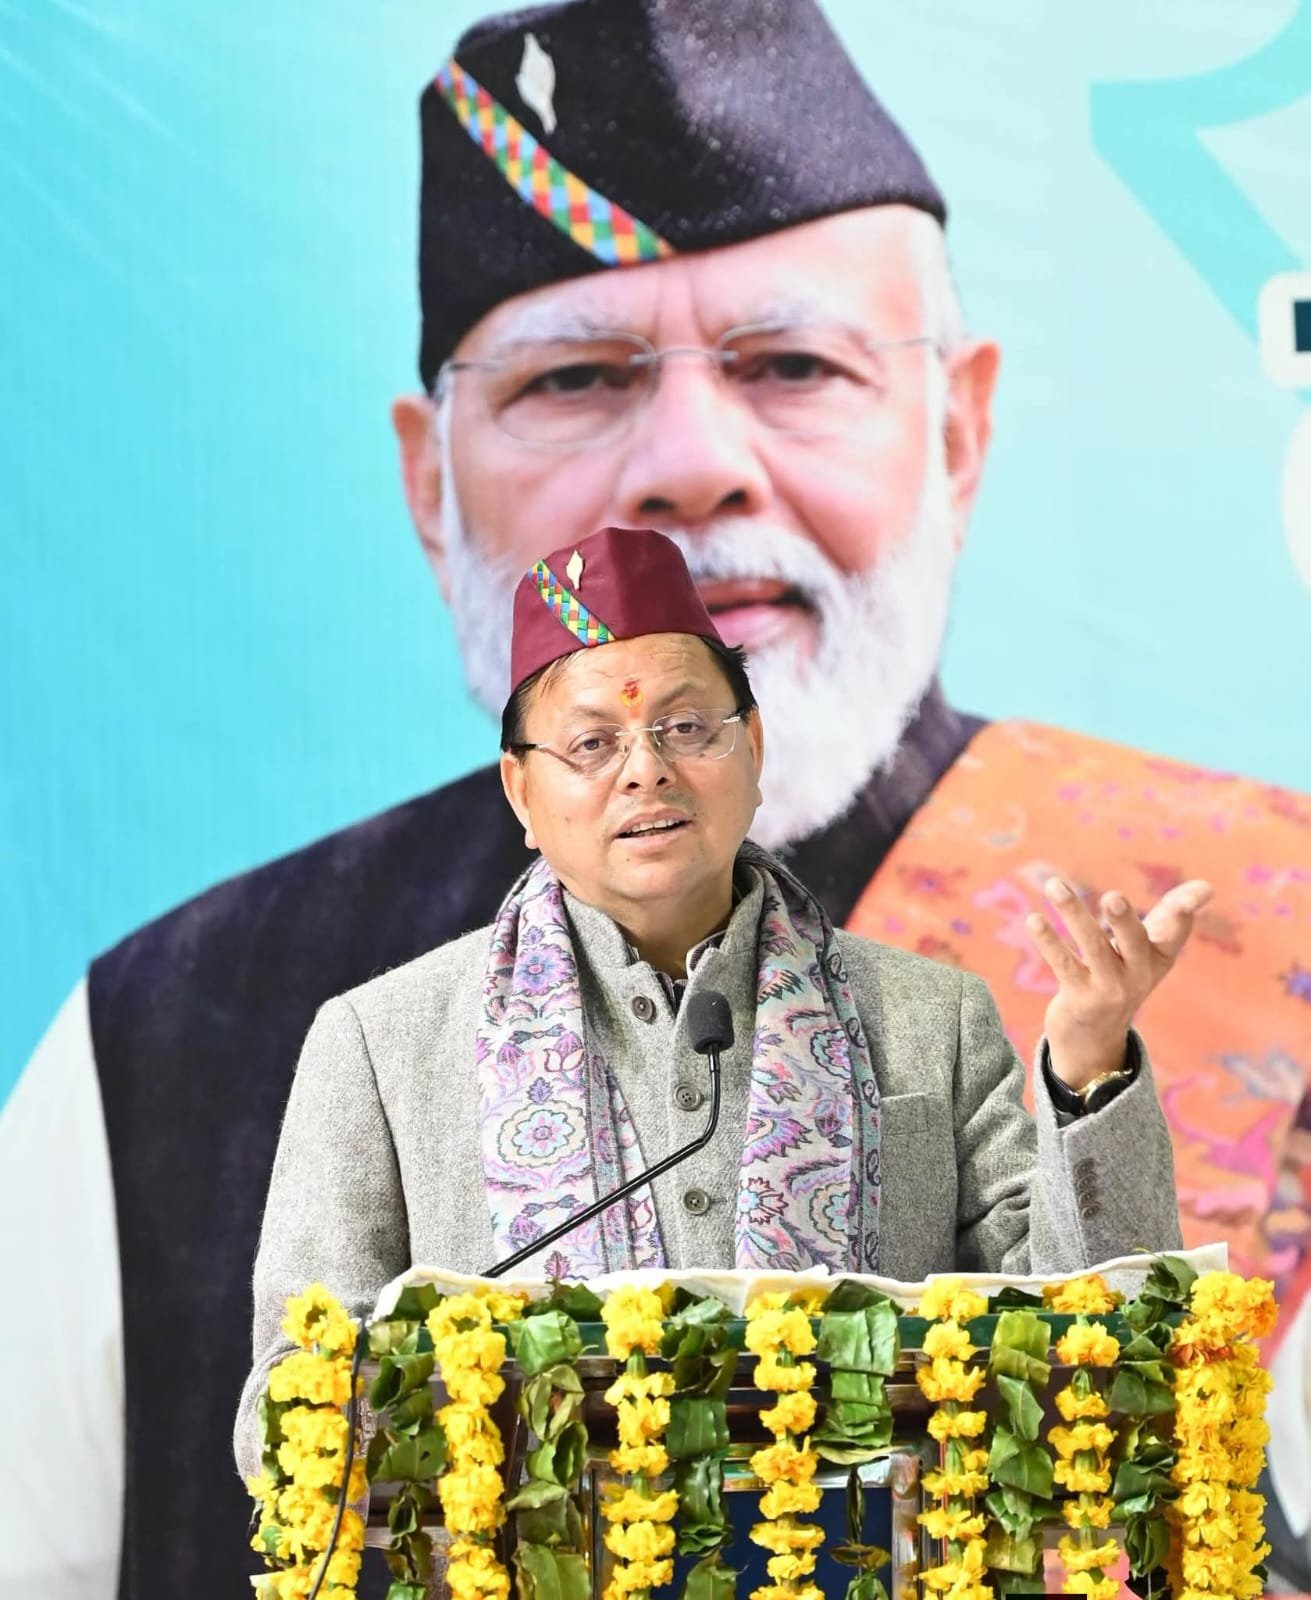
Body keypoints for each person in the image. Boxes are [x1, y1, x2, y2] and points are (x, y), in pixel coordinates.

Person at [4, 1, 1309, 1597]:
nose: (691, 465)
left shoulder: (1120, 974)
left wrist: (1091, 1086)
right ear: (430, 479)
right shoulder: (192, 1037)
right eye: (574, 377)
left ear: (957, 429)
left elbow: (1107, 1373)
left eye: (792, 364)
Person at [234, 522, 1195, 1498]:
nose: (645, 769)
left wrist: (1089, 1064)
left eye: (687, 728)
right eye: (592, 743)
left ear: (754, 746)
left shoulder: (926, 1018)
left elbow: (1089, 1356)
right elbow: (283, 1415)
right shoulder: (383, 1045)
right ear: (520, 791)